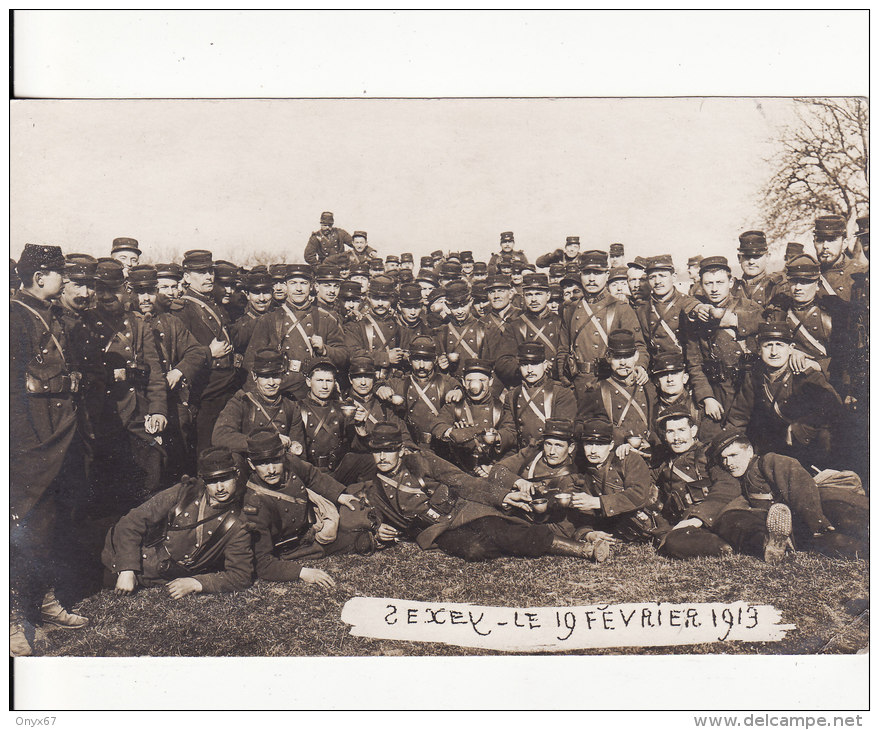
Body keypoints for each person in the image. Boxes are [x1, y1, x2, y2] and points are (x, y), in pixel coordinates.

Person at [348, 423, 608, 562]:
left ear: (401, 451)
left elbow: (461, 480)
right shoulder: (372, 489)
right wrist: (376, 530)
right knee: (475, 551)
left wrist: (502, 496)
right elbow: (366, 516)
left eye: (389, 450)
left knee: (503, 531)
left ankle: (582, 550)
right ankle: (516, 544)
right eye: (377, 451)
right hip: (436, 530)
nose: (382, 457)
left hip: (463, 510)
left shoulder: (422, 460)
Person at [11, 244, 90, 656]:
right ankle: (13, 619)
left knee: (51, 526)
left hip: (61, 436)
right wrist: (24, 447)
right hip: (32, 443)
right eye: (62, 275)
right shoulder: (13, 318)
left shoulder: (54, 314)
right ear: (40, 277)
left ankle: (43, 603)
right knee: (22, 531)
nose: (67, 282)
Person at [102, 446, 253, 598]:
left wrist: (196, 583)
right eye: (213, 480)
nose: (220, 487)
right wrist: (127, 569)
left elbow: (241, 576)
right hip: (118, 554)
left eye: (225, 478)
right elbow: (132, 522)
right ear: (204, 481)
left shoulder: (236, 525)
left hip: (155, 577)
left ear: (237, 475)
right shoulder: (184, 492)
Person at [651, 408, 788, 562]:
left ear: (693, 430)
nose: (676, 438)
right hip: (692, 523)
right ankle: (725, 549)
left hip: (720, 510)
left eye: (682, 430)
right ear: (664, 435)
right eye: (670, 432)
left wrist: (700, 517)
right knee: (673, 541)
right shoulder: (662, 463)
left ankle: (770, 543)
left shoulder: (707, 454)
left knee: (733, 522)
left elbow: (728, 484)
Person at [84, 259, 168, 506]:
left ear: (125, 290)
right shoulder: (85, 323)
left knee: (149, 475)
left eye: (114, 289)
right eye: (101, 290)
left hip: (137, 414)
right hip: (103, 417)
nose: (107, 296)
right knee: (107, 487)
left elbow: (154, 373)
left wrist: (158, 409)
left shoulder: (138, 324)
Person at [242, 430, 373, 587]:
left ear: (283, 456)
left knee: (358, 508)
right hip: (293, 548)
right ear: (251, 464)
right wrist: (302, 573)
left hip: (311, 523)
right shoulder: (255, 503)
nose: (271, 470)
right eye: (262, 463)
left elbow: (312, 475)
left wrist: (338, 495)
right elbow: (262, 563)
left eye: (275, 460)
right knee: (361, 540)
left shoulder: (289, 462)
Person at [712, 431, 868, 560]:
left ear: (749, 451)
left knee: (849, 521)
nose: (728, 463)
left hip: (817, 509)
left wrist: (817, 523)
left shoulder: (767, 461)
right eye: (723, 459)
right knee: (838, 544)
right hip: (798, 527)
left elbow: (798, 481)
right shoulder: (741, 481)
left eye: (733, 455)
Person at [725, 322, 846, 471]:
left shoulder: (804, 374)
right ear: (758, 349)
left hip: (809, 448)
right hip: (774, 445)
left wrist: (799, 429)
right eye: (768, 345)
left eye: (780, 345)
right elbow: (739, 416)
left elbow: (834, 408)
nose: (774, 352)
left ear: (791, 349)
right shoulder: (754, 376)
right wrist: (731, 444)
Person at [130, 264, 207, 484]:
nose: (146, 298)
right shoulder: (123, 324)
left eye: (150, 292)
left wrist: (178, 371)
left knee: (175, 466)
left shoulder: (169, 322)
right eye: (139, 292)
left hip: (170, 402)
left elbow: (196, 351)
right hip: (135, 406)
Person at [244, 263, 347, 400]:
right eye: (293, 283)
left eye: (303, 283)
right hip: (279, 390)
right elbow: (251, 361)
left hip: (313, 391)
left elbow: (344, 356)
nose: (298, 289)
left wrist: (324, 350)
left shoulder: (326, 319)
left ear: (311, 286)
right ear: (286, 285)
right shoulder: (269, 319)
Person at [682, 255, 762, 431]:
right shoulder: (697, 316)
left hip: (748, 389)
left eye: (720, 282)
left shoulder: (750, 307)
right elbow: (695, 363)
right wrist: (706, 397)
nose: (714, 289)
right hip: (716, 391)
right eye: (708, 283)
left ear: (731, 282)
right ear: (701, 285)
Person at [563, 250, 647, 402]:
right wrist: (565, 381)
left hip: (610, 381)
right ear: (580, 275)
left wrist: (640, 366)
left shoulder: (620, 308)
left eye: (597, 273)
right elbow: (562, 350)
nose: (591, 279)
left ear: (607, 275)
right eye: (587, 273)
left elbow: (639, 346)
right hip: (577, 384)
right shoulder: (570, 309)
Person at [177, 250, 239, 454]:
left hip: (226, 386)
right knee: (207, 448)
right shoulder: (183, 309)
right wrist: (209, 353)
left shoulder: (215, 304)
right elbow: (181, 353)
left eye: (210, 271)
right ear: (186, 277)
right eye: (201, 272)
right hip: (205, 390)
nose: (208, 277)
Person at [571, 417, 664, 544]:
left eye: (599, 445)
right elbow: (584, 513)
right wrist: (588, 534)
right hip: (615, 530)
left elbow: (638, 494)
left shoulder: (627, 459)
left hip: (648, 525)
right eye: (588, 444)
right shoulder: (583, 469)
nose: (593, 450)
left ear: (611, 445)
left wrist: (598, 503)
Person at [212, 349, 305, 460]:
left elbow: (299, 454)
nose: (271, 383)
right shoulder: (242, 402)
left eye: (276, 376)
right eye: (265, 377)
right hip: (250, 469)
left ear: (283, 376)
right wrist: (265, 443)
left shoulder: (291, 407)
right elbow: (220, 436)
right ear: (254, 376)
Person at [434, 358, 516, 475]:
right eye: (470, 380)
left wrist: (497, 437)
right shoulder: (456, 405)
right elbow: (437, 424)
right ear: (463, 382)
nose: (475, 386)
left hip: (489, 466)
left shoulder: (499, 408)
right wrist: (451, 432)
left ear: (491, 381)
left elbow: (511, 431)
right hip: (460, 468)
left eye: (482, 380)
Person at [578, 329, 657, 451]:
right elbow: (580, 426)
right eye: (617, 357)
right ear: (608, 358)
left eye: (627, 356)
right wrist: (621, 438)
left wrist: (652, 443)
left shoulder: (648, 387)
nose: (623, 363)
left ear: (636, 356)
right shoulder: (597, 390)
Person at [386, 335, 463, 447]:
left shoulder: (445, 382)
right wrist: (381, 389)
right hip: (411, 445)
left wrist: (459, 391)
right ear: (409, 361)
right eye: (417, 360)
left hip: (440, 446)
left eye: (427, 360)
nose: (421, 366)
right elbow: (377, 385)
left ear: (435, 360)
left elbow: (461, 388)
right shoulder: (401, 383)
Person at [495, 272, 570, 386]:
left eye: (538, 294)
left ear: (548, 295)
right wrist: (531, 366)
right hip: (526, 386)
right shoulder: (515, 326)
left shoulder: (560, 323)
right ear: (523, 296)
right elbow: (503, 363)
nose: (533, 299)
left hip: (556, 386)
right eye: (529, 295)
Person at [504, 342, 577, 450]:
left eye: (534, 364)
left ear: (545, 364)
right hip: (523, 453)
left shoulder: (560, 393)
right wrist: (498, 437)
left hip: (551, 454)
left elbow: (563, 434)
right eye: (524, 365)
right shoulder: (512, 395)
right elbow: (510, 431)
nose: (529, 370)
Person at [635, 254, 699, 359]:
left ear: (673, 277)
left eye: (662, 276)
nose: (657, 282)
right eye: (652, 277)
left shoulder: (685, 302)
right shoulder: (642, 309)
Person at [344, 275, 403, 378]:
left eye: (385, 299)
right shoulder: (356, 324)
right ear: (368, 298)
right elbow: (353, 355)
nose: (380, 303)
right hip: (366, 379)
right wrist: (386, 357)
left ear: (392, 298)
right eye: (376, 298)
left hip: (394, 381)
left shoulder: (398, 324)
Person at [434, 280, 489, 377]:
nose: (459, 311)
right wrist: (440, 365)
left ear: (471, 302)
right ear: (448, 306)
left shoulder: (484, 329)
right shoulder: (442, 332)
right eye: (454, 307)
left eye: (463, 305)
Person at [813, 214, 866, 302]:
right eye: (820, 240)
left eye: (831, 240)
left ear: (844, 243)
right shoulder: (808, 273)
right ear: (813, 242)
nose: (825, 246)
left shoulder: (860, 273)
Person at [732, 230, 782, 309]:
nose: (751, 262)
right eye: (747, 257)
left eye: (757, 257)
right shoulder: (731, 288)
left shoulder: (777, 288)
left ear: (767, 257)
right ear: (739, 258)